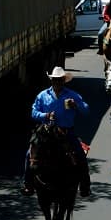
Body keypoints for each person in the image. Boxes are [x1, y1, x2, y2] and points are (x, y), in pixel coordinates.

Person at [21, 67, 91, 197]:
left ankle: (85, 185)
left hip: (66, 132)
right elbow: (34, 112)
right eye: (55, 80)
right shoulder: (42, 95)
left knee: (80, 154)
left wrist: (77, 105)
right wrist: (45, 116)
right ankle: (27, 184)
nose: (57, 83)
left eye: (59, 80)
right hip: (46, 132)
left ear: (64, 81)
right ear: (51, 81)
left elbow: (86, 110)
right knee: (29, 154)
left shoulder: (72, 95)